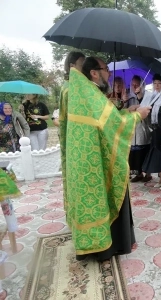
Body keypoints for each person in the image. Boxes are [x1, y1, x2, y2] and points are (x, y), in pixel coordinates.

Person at [64, 56, 151, 261]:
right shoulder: (92, 94)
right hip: (95, 160)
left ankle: (95, 244)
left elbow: (107, 117)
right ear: (94, 73)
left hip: (85, 160)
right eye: (106, 69)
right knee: (108, 193)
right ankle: (109, 246)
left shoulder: (86, 92)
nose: (110, 74)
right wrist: (139, 116)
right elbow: (114, 127)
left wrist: (121, 109)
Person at [59, 51, 85, 214]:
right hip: (75, 140)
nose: (85, 67)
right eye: (82, 63)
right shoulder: (70, 90)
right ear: (72, 66)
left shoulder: (71, 86)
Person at [127, 75, 152, 182]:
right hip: (133, 127)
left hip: (144, 126)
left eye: (137, 84)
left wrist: (137, 106)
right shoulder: (128, 96)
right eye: (133, 84)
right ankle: (139, 173)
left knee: (145, 151)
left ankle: (148, 173)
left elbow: (148, 109)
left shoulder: (148, 95)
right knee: (135, 153)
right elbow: (125, 110)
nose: (135, 86)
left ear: (142, 84)